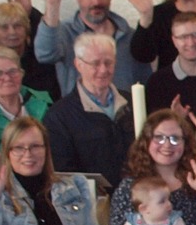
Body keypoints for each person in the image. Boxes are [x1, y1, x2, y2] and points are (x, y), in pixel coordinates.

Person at [33, 0, 147, 96]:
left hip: (124, 113)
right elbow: (45, 55)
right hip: (78, 114)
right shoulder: (65, 33)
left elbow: (144, 80)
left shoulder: (129, 36)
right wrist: (52, 5)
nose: (96, 1)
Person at [42, 30, 134, 183]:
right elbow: (63, 170)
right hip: (93, 199)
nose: (103, 70)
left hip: (139, 195)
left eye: (108, 62)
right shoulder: (59, 116)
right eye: (95, 63)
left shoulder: (132, 102)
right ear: (78, 64)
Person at [145, 12, 196, 115]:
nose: (191, 43)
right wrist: (177, 121)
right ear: (174, 41)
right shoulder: (157, 82)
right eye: (183, 37)